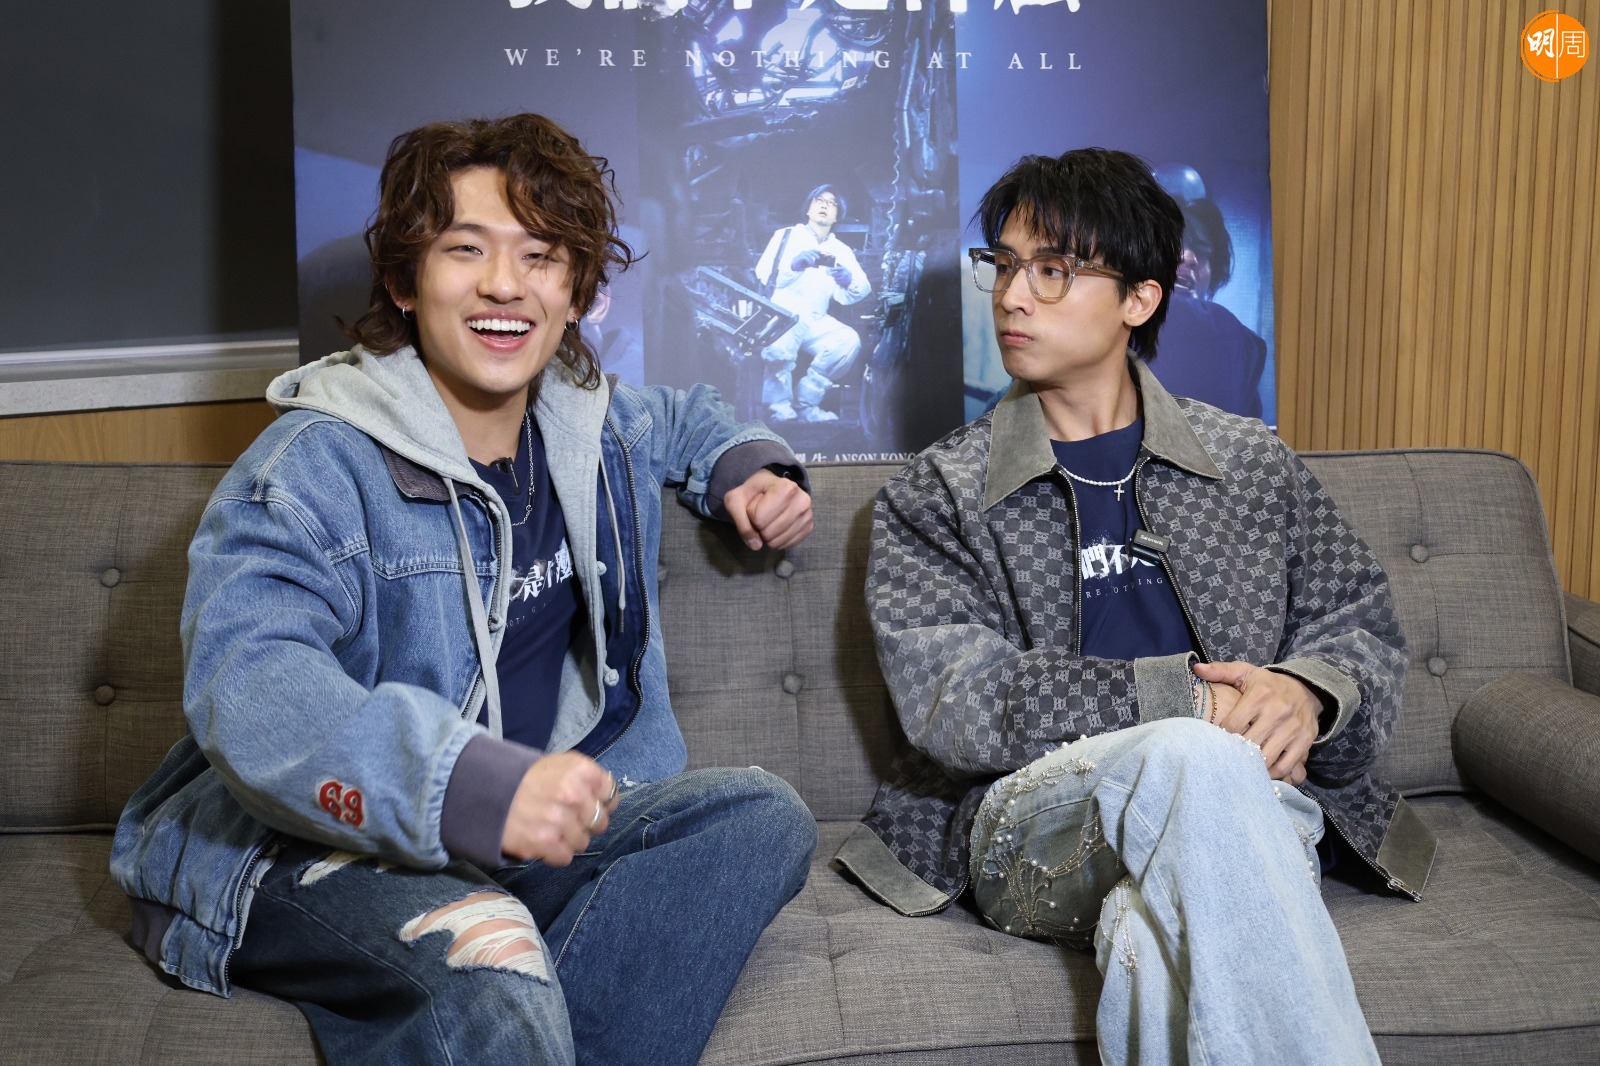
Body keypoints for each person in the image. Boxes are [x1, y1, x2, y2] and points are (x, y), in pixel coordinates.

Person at [110, 113, 819, 1066]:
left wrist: (749, 469)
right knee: (489, 947)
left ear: (578, 293)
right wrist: (468, 786)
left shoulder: (592, 426)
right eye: (465, 249)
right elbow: (251, 688)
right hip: (304, 846)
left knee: (758, 814)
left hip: (513, 846)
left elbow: (686, 419)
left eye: (540, 255)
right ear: (405, 283)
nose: (504, 284)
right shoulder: (309, 467)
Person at [833, 149, 1436, 1064]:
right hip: (1030, 822)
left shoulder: (1250, 463)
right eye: (1004, 265)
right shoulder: (938, 493)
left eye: (1053, 270)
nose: (1013, 297)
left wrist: (1307, 695)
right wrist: (1188, 701)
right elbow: (957, 701)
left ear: (1140, 300)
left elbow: (1360, 623)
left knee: (1151, 937)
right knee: (1194, 755)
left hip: (1252, 804)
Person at [753, 183, 871, 422]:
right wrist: (794, 265)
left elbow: (862, 288)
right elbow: (763, 274)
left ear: (837, 216)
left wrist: (847, 279)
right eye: (819, 200)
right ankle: (777, 407)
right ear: (808, 208)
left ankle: (806, 404)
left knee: (847, 341)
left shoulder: (840, 249)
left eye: (832, 203)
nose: (825, 206)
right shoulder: (786, 236)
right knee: (780, 347)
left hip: (816, 318)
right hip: (783, 314)